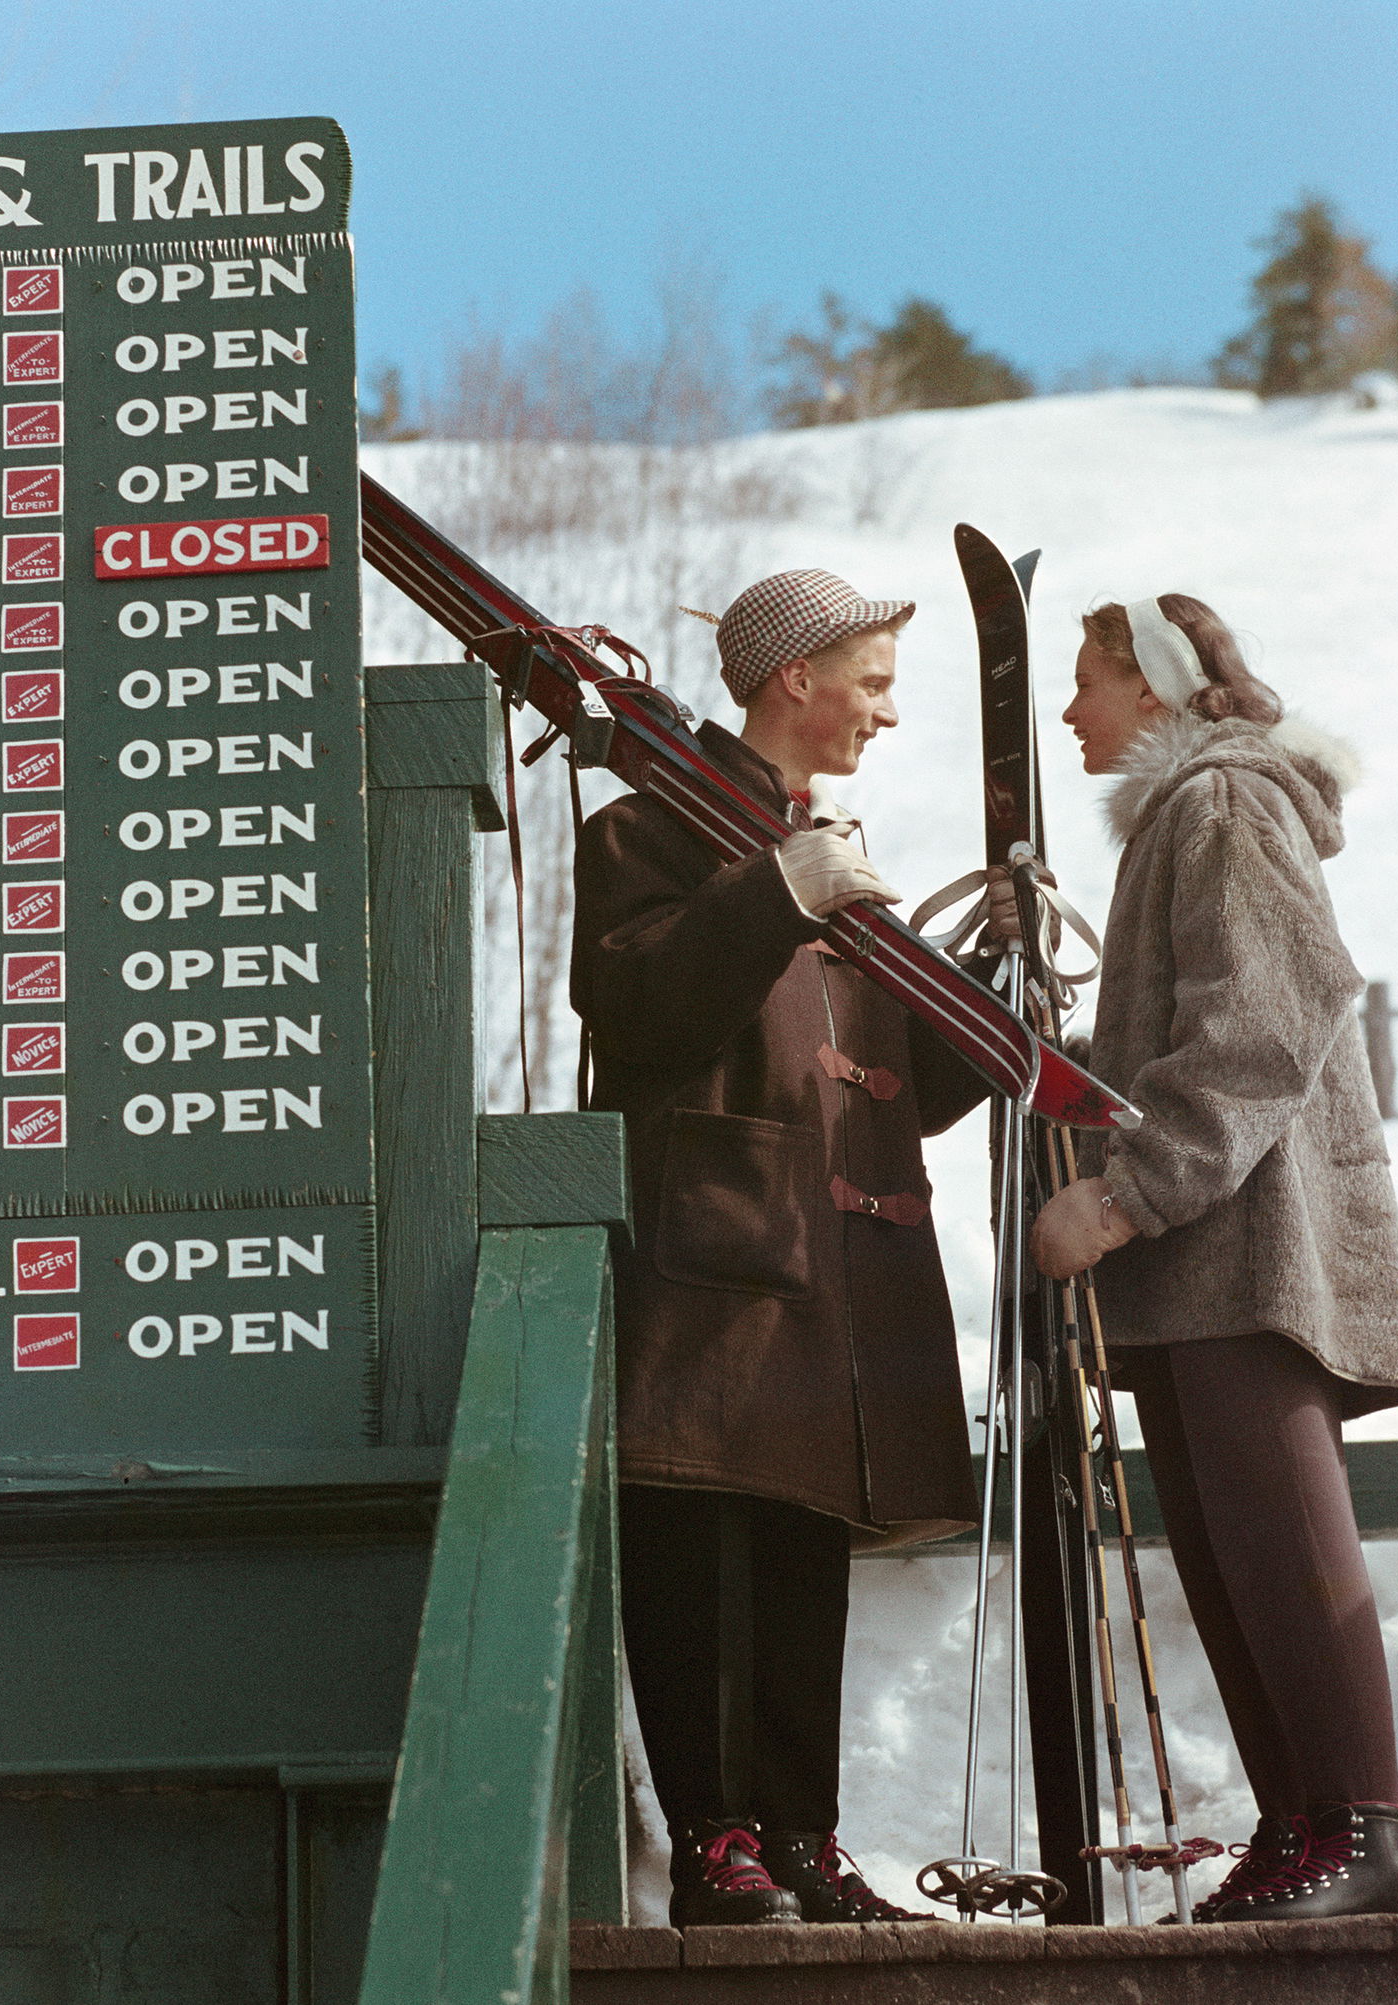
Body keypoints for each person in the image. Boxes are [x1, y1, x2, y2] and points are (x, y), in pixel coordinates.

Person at [572, 570, 991, 1927]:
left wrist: (986, 998)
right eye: (869, 677)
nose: (886, 706)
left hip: (834, 1259)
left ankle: (804, 1836)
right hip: (709, 1253)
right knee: (697, 1537)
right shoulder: (647, 831)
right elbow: (636, 1008)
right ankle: (715, 1838)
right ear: (794, 675)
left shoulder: (835, 846)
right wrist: (776, 894)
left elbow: (906, 1088)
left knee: (806, 1546)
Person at [1028, 593, 1398, 1923]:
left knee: (1272, 1525)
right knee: (1225, 1538)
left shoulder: (1220, 801)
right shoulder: (1183, 815)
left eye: (1085, 681)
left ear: (1152, 686)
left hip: (1254, 1241)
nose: (1070, 710)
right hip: (1213, 1248)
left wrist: (1128, 1195)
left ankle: (1366, 1831)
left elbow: (1272, 1017)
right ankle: (1304, 1823)